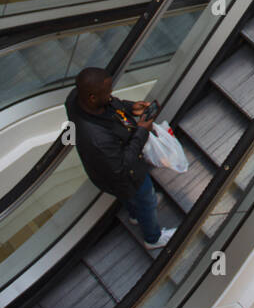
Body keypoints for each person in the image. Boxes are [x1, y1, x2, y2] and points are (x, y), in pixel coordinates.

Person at [65, 67, 175, 251]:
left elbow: (111, 104)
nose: (111, 95)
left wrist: (130, 107)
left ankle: (134, 215)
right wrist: (142, 130)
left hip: (107, 175)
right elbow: (124, 164)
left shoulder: (76, 97)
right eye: (107, 92)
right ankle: (153, 238)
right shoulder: (97, 139)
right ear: (92, 97)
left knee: (131, 199)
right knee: (146, 199)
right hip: (126, 177)